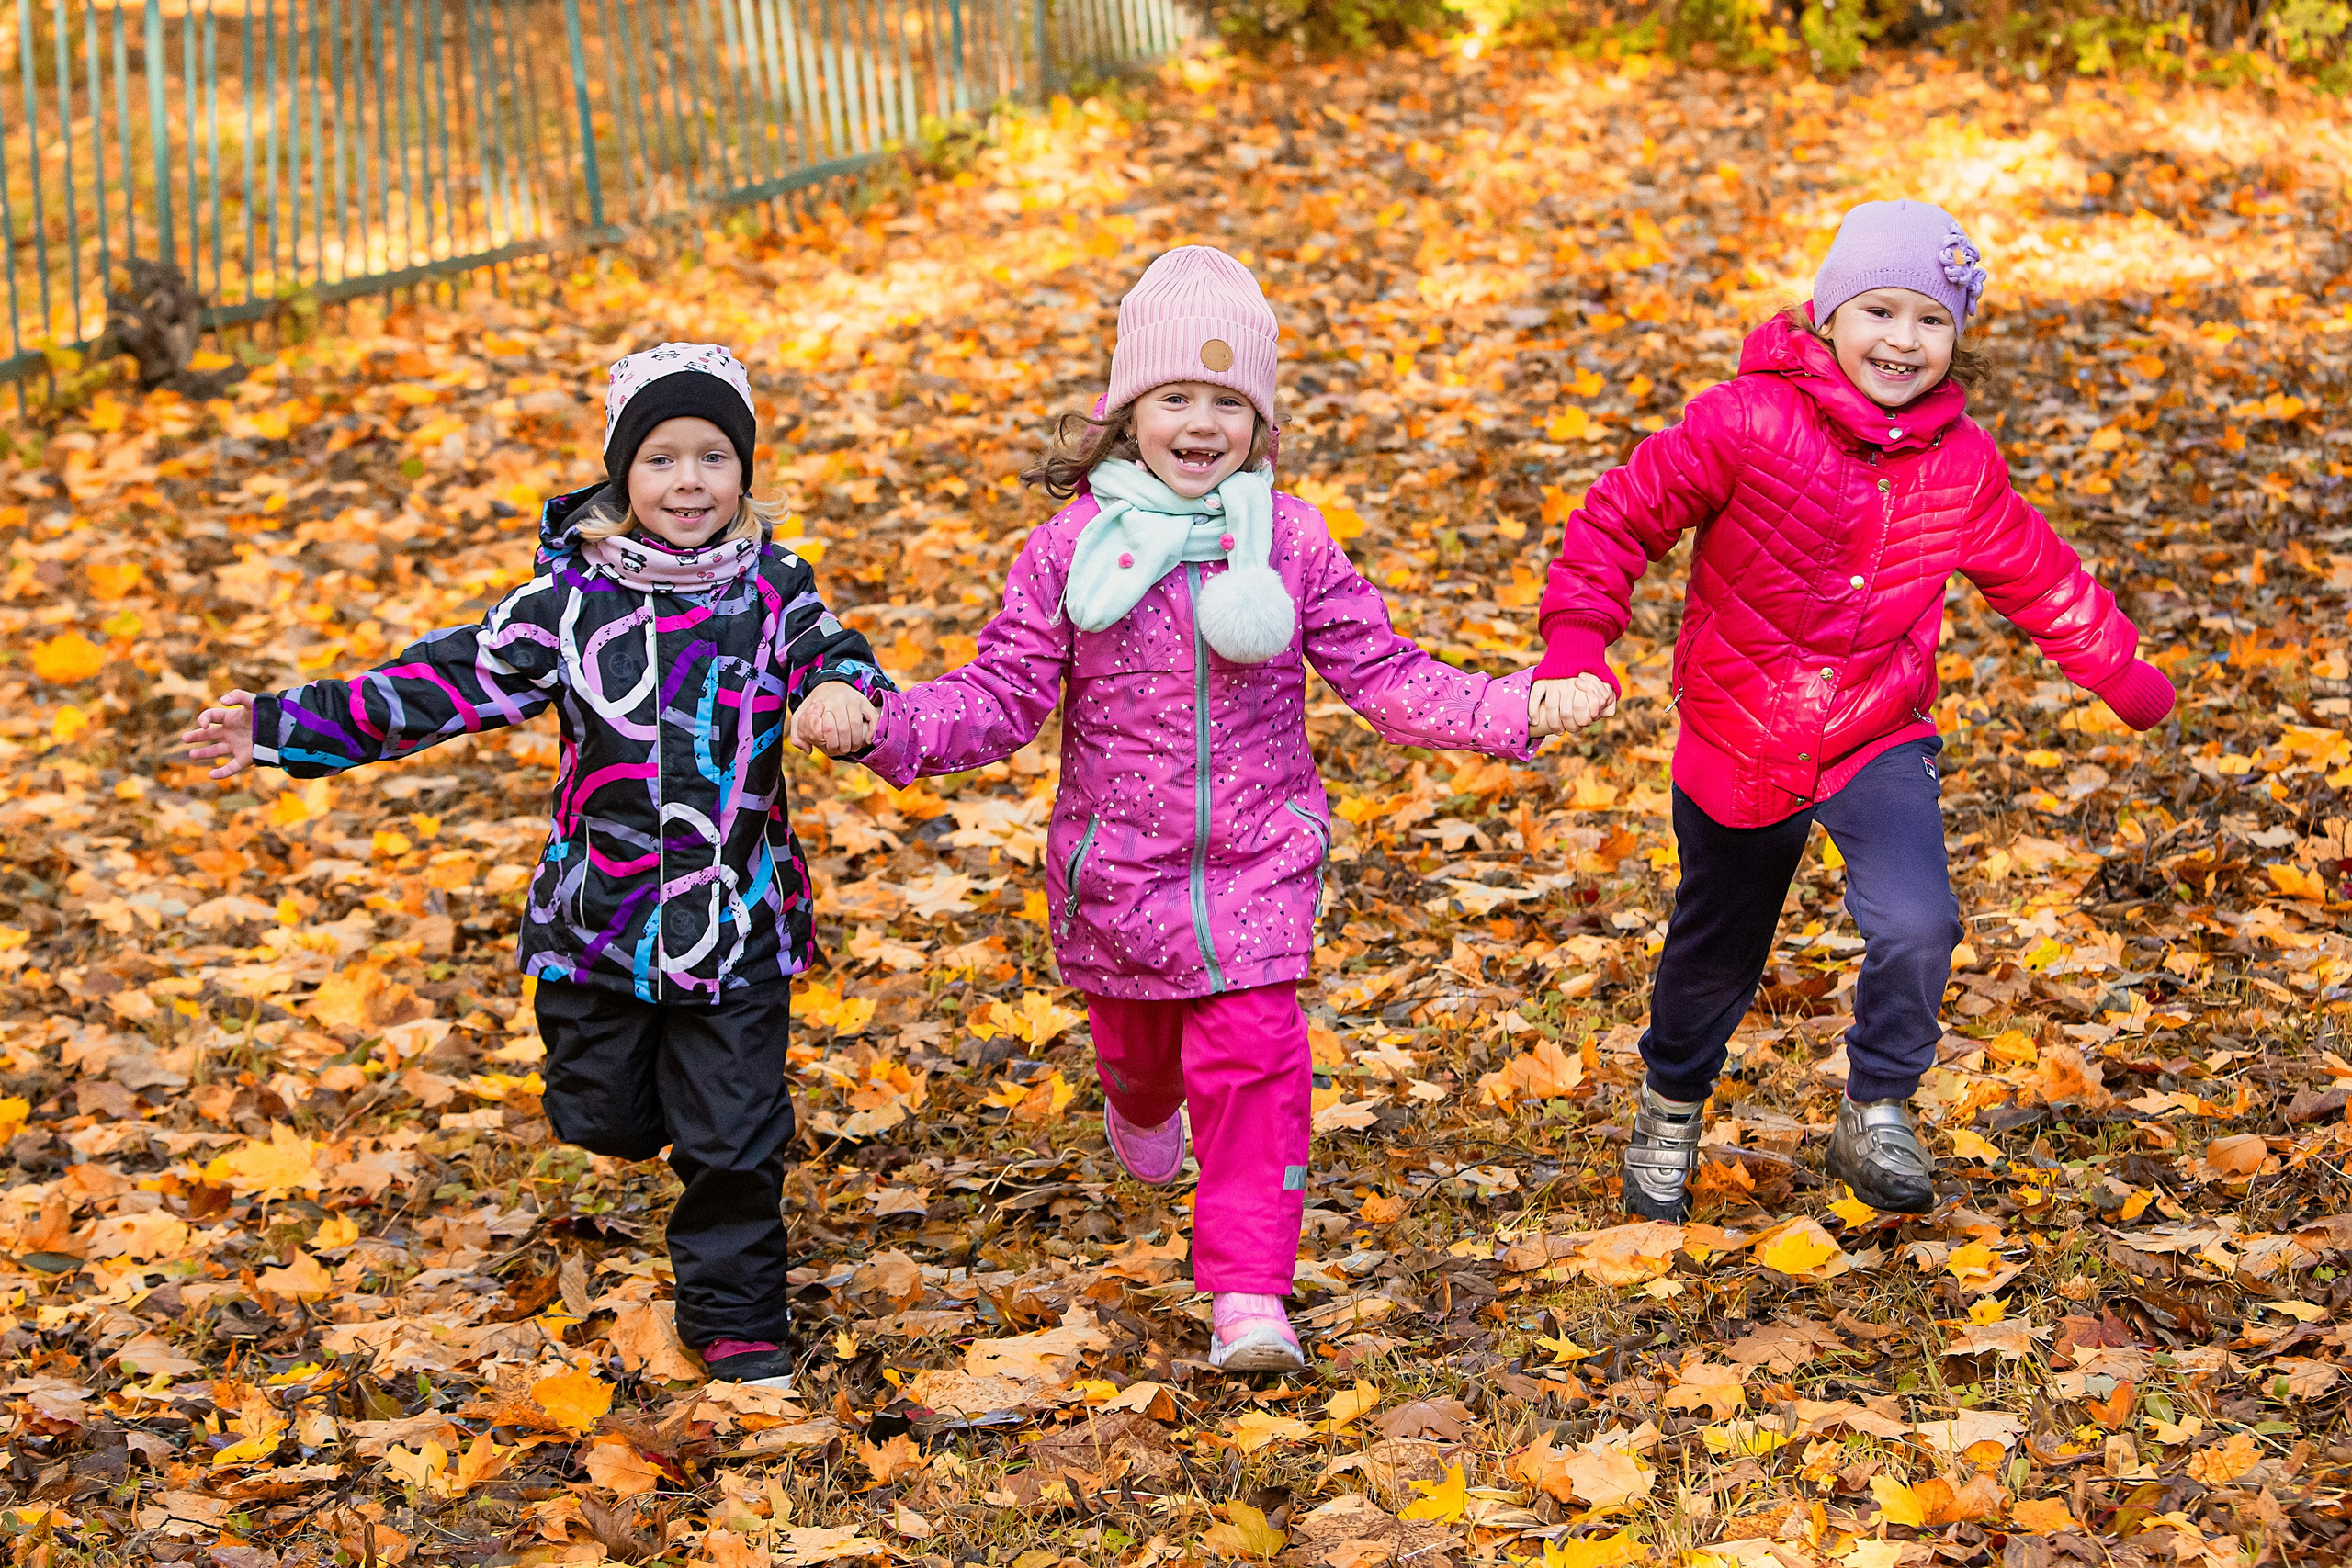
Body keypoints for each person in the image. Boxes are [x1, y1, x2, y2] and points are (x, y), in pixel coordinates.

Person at [824, 246, 1548, 1371]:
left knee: (1256, 1061)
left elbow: (1385, 673)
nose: (1201, 423)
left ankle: (1249, 1297)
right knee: (1144, 1060)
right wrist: (886, 725)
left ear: (1258, 424)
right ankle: (1138, 1102)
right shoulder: (1072, 552)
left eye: (1228, 402)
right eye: (1175, 398)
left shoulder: (1292, 542)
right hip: (1117, 881)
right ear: (1127, 414)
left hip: (1258, 868)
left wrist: (1512, 709)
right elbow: (1002, 696)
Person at [182, 343, 889, 1391]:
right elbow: (437, 685)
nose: (687, 482)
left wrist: (841, 692)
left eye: (711, 458)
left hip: (734, 918)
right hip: (595, 921)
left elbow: (836, 653)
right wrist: (283, 726)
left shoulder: (774, 590)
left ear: (744, 473)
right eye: (659, 460)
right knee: (600, 1114)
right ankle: (640, 1106)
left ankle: (739, 1324)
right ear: (619, 475)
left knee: (734, 1141)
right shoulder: (564, 605)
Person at [1529, 200, 2176, 1222]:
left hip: (1877, 727)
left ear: (1957, 340)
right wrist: (1578, 639)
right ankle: (1669, 1104)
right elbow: (1619, 516)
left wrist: (2115, 667)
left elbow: (2034, 571)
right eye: (1878, 311)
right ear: (1829, 315)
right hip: (1740, 729)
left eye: (1930, 321)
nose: (1902, 341)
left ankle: (1876, 1106)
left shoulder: (1959, 464)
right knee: (1715, 952)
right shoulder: (1742, 420)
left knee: (1920, 924)